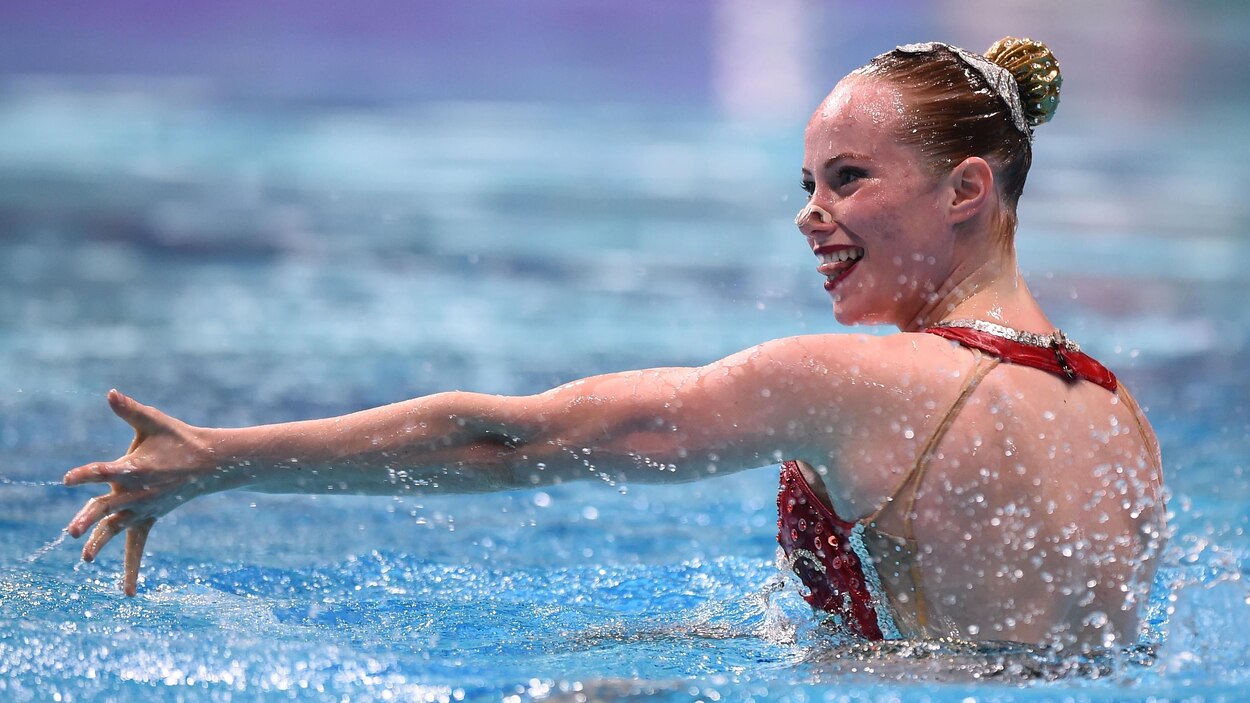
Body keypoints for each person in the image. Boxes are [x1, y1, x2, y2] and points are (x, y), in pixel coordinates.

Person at [63, 37, 1165, 651]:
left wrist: (221, 459)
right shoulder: (1116, 412)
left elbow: (506, 442)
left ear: (967, 189)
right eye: (806, 183)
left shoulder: (851, 381)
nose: (807, 215)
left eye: (847, 179)